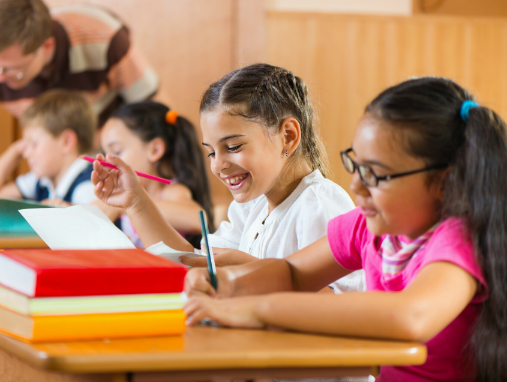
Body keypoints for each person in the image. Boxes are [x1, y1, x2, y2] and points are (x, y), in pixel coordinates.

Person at [183, 77, 507, 381]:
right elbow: (292, 273)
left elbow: (410, 317)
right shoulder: (368, 228)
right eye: (357, 165)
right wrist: (226, 284)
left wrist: (256, 309)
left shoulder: (458, 240)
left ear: (443, 182)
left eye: (376, 174)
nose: (356, 185)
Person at [92, 63, 361, 294]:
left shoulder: (320, 204)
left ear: (288, 136)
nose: (218, 166)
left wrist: (253, 273)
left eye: (233, 147)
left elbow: (347, 307)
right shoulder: (250, 207)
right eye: (210, 153)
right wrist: (136, 202)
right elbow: (193, 263)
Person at [0, 0, 162, 187]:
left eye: (11, 70)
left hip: (110, 167)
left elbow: (158, 113)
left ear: (46, 46)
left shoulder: (105, 38)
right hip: (57, 169)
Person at [98, 101, 213, 247]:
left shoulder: (172, 191)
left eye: (116, 152)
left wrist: (127, 204)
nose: (106, 162)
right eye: (105, 153)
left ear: (155, 150)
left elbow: (197, 219)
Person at [0, 89, 96, 206]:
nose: (26, 153)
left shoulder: (88, 186)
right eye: (24, 145)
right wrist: (15, 150)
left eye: (33, 144)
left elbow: (94, 223)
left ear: (66, 142)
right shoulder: (43, 180)